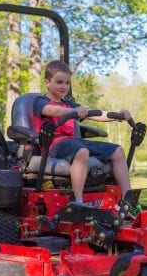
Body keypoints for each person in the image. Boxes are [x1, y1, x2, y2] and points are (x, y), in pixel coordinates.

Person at [33, 60, 132, 204]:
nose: (64, 86)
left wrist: (118, 115)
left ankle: (128, 202)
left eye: (67, 83)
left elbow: (93, 114)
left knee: (118, 151)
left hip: (75, 142)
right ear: (47, 83)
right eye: (59, 82)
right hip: (54, 144)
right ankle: (78, 201)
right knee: (82, 151)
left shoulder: (69, 103)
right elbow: (50, 110)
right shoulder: (40, 101)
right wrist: (72, 112)